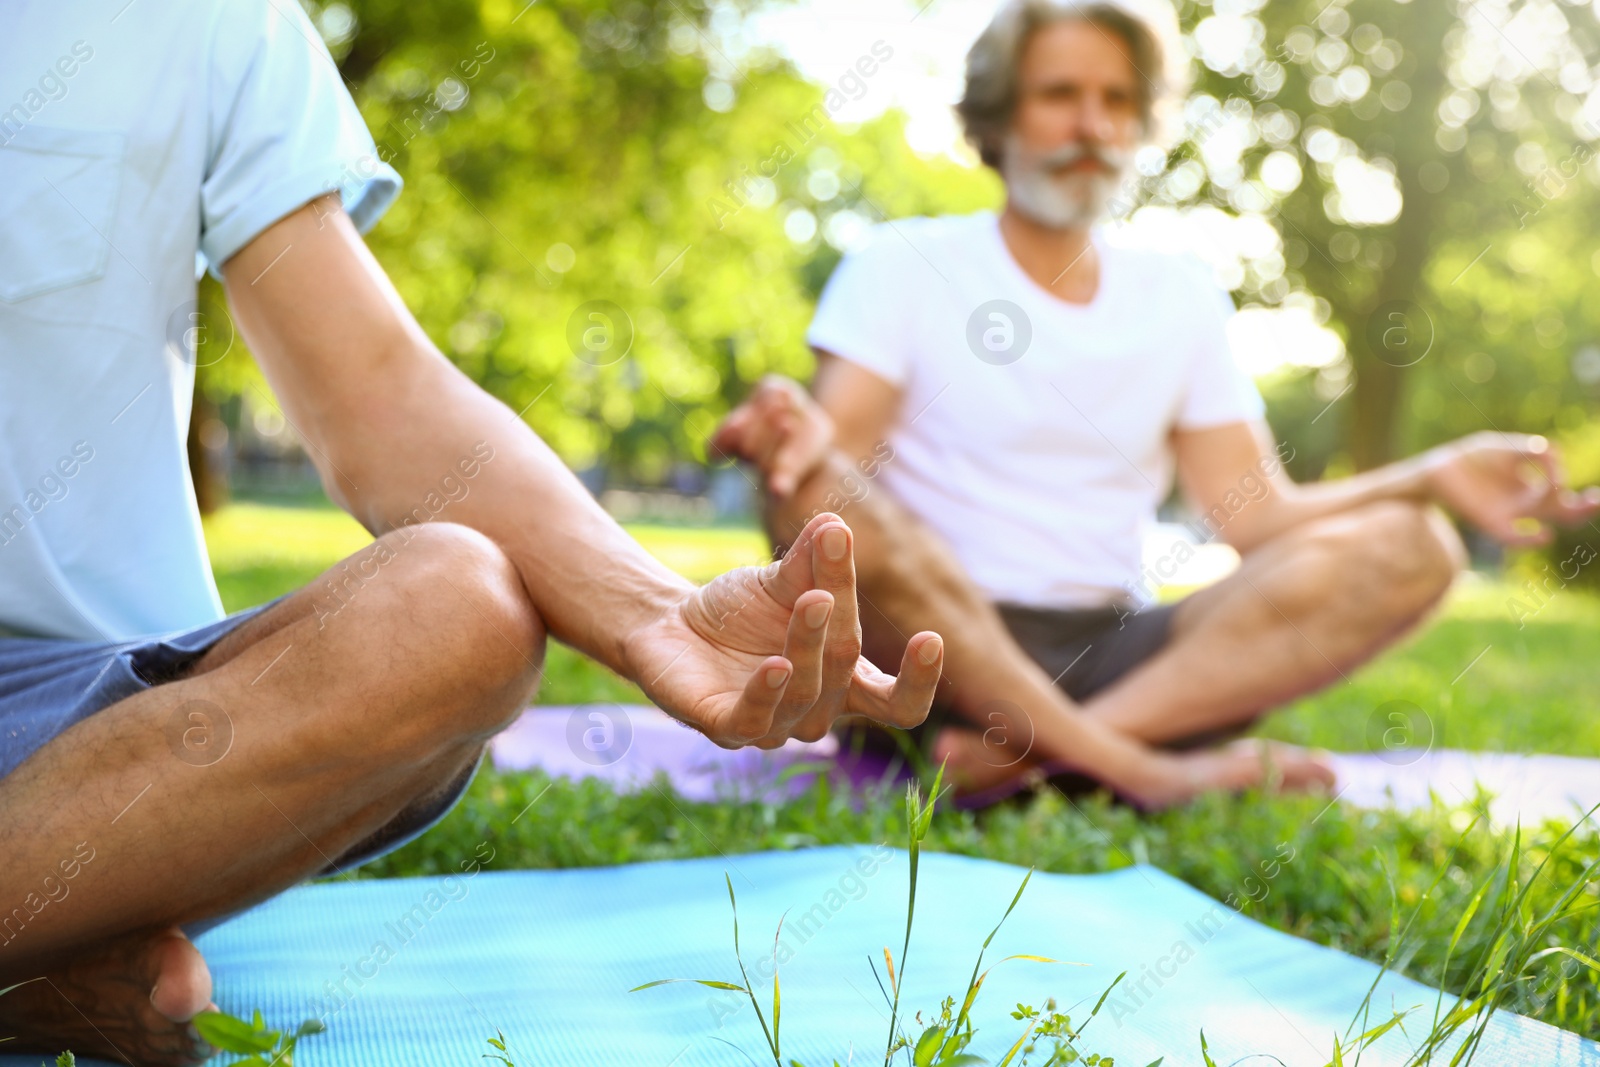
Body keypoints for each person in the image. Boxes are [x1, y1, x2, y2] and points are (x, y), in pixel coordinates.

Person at [0, 2, 944, 1062]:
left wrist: (653, 613)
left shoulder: (209, 25)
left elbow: (377, 393)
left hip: (88, 747)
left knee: (459, 608)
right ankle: (26, 966)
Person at [712, 0, 1600, 805]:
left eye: (1118, 100)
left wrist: (1435, 475)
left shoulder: (1179, 293)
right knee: (814, 492)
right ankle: (1134, 771)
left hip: (1119, 656)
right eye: (1060, 94)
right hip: (929, 661)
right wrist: (790, 429)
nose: (1092, 124)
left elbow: (1257, 517)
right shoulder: (903, 262)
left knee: (1417, 542)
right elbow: (831, 458)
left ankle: (1038, 758)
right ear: (1000, 113)